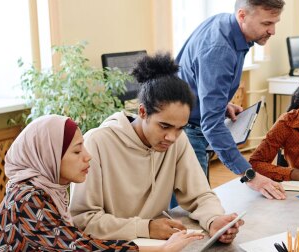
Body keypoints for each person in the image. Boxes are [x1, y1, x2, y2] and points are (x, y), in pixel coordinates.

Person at [69, 53, 243, 243]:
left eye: (180, 128)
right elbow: (83, 220)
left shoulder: (177, 140)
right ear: (142, 112)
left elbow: (200, 195)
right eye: (164, 126)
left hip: (157, 243)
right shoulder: (96, 143)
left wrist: (214, 220)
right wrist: (146, 227)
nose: (172, 137)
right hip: (112, 245)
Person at [0, 115, 202, 251]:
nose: (88, 156)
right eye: (77, 151)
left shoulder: (46, 189)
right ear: (49, 157)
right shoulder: (27, 200)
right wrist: (161, 250)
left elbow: (77, 241)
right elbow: (80, 247)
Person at [175, 0, 286, 199]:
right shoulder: (220, 50)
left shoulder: (225, 24)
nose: (273, 31)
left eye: (275, 23)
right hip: (185, 131)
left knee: (198, 204)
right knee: (194, 206)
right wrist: (250, 175)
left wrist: (219, 104)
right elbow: (211, 124)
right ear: (242, 15)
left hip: (187, 121)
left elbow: (194, 76)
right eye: (266, 23)